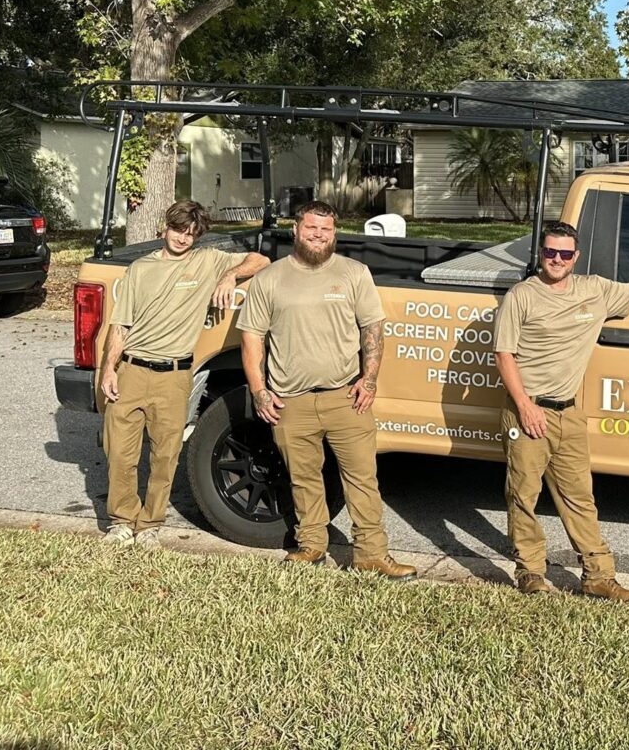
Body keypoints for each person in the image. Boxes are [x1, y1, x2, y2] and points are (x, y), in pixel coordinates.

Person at [494, 220, 629, 600]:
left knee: (580, 497)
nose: (557, 260)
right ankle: (530, 572)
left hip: (569, 412)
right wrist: (524, 406)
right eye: (550, 252)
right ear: (541, 254)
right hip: (528, 410)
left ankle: (598, 576)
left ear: (575, 257)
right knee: (523, 494)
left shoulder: (593, 289)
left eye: (565, 254)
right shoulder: (522, 295)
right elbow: (504, 355)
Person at [237, 200, 413, 579]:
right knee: (303, 479)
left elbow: (373, 330)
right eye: (312, 228)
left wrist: (369, 380)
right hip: (291, 401)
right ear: (297, 229)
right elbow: (252, 338)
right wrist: (259, 392)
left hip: (345, 397)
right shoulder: (270, 279)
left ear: (334, 233)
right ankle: (312, 545)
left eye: (326, 229)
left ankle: (371, 553)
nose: (319, 235)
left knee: (363, 480)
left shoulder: (354, 273)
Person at [99, 199, 270, 548]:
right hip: (132, 368)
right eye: (179, 230)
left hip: (175, 375)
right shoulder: (140, 269)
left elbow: (262, 259)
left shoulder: (207, 260)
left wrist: (229, 274)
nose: (183, 238)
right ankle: (121, 520)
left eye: (192, 234)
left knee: (165, 455)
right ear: (166, 227)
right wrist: (108, 370)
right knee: (120, 452)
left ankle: (149, 525)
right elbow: (120, 326)